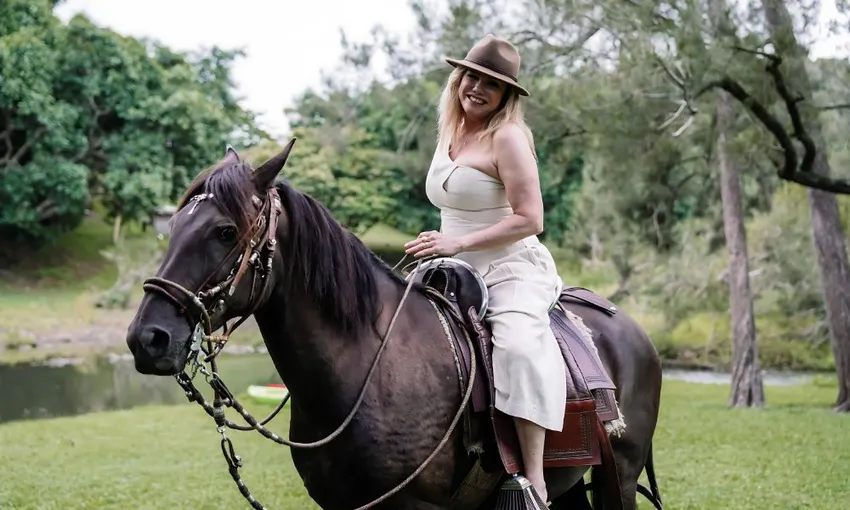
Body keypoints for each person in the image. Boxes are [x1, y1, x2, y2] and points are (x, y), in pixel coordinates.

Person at [404, 34, 566, 503]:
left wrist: (459, 242)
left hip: (511, 264)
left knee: (516, 347)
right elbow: (456, 206)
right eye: (470, 76)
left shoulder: (508, 137)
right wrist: (440, 245)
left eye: (490, 84)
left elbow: (531, 218)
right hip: (451, 268)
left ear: (506, 96)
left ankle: (532, 480)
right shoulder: (451, 129)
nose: (475, 88)